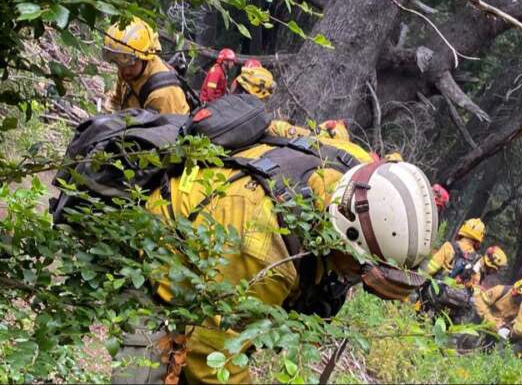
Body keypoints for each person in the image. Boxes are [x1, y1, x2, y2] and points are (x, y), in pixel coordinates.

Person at [115, 136, 437, 384]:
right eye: (362, 272)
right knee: (145, 372)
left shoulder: (358, 176)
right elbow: (210, 353)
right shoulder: (267, 257)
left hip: (221, 251)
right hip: (159, 249)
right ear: (344, 240)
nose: (358, 282)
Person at [103, 17, 190, 114]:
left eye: (131, 64)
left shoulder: (163, 94)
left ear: (144, 57)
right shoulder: (126, 71)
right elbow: (115, 101)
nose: (125, 71)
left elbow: (166, 128)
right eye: (119, 64)